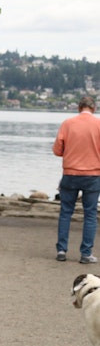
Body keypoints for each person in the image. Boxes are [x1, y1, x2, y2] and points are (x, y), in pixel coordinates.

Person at [53, 95, 100, 263]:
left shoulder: (68, 123)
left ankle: (61, 251)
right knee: (90, 214)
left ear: (79, 108)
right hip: (93, 175)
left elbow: (57, 150)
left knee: (66, 212)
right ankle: (86, 253)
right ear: (93, 109)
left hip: (70, 174)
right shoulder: (98, 124)